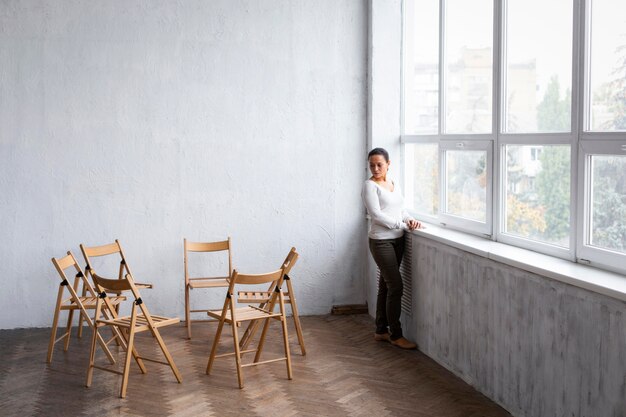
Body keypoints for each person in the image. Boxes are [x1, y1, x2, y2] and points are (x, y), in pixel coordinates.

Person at [362, 147, 421, 350]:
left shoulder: (393, 184)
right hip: (381, 241)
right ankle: (396, 334)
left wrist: (410, 220)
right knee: (396, 286)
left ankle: (380, 330)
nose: (376, 168)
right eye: (372, 165)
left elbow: (400, 209)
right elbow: (376, 215)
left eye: (379, 164)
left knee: (386, 285)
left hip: (399, 240)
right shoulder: (369, 186)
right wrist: (400, 225)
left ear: (388, 164)